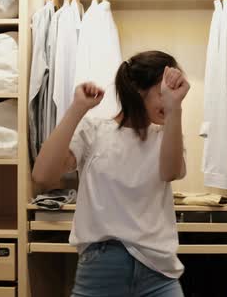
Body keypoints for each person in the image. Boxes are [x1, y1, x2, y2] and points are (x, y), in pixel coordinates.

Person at [32, 51, 190, 297]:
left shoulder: (166, 134)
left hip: (159, 273)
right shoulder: (94, 131)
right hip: (101, 267)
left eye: (174, 91)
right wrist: (77, 109)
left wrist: (174, 108)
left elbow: (170, 172)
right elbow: (42, 174)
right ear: (138, 90)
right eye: (163, 92)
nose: (168, 98)